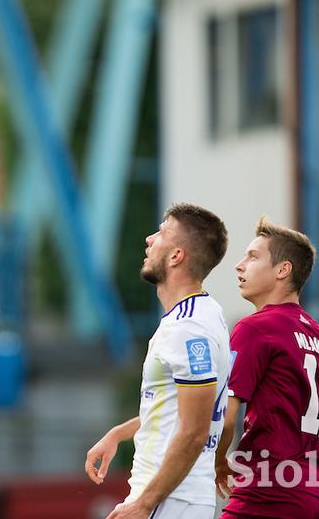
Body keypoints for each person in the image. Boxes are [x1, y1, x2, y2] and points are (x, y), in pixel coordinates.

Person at [215, 216, 319, 519]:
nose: (239, 264)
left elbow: (226, 416)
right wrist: (303, 465)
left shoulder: (255, 328)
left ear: (283, 270)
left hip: (268, 493)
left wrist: (219, 462)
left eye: (253, 256)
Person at [85, 204, 231, 519]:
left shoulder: (189, 328)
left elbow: (194, 431)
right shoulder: (201, 314)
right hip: (174, 497)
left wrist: (144, 504)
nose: (150, 239)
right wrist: (120, 432)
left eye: (162, 233)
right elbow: (183, 409)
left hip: (170, 500)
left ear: (177, 256)